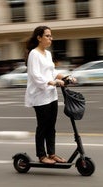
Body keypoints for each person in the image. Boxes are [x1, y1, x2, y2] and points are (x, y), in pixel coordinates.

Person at [25, 26, 76, 164]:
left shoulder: (47, 54)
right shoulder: (34, 54)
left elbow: (52, 72)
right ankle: (42, 156)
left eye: (51, 36)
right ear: (39, 38)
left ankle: (52, 154)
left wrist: (66, 77)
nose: (50, 38)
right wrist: (53, 83)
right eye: (47, 36)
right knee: (43, 126)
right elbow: (36, 76)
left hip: (51, 96)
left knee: (51, 126)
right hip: (39, 96)